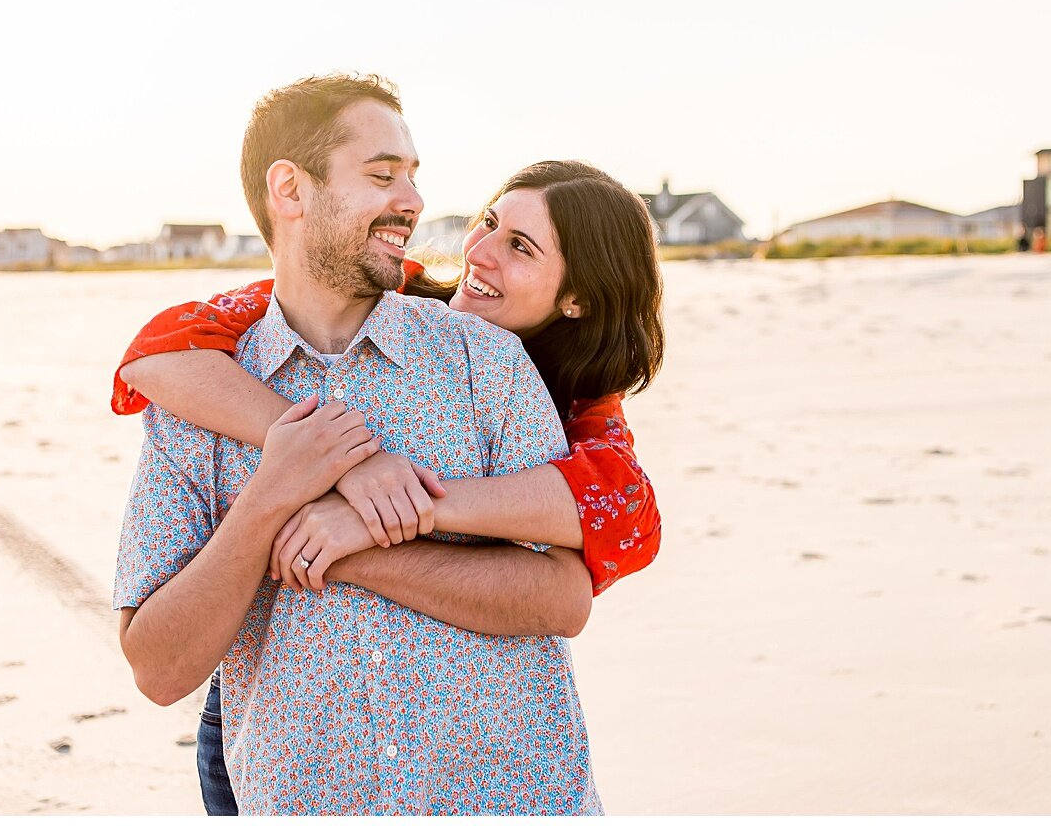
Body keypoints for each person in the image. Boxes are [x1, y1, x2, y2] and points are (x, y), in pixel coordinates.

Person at [113, 74, 662, 815]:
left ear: (576, 299)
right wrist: (298, 473)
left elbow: (596, 547)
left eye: (522, 246)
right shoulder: (224, 370)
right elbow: (153, 355)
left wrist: (364, 528)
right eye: (383, 174)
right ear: (290, 190)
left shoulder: (516, 375)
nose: (478, 249)